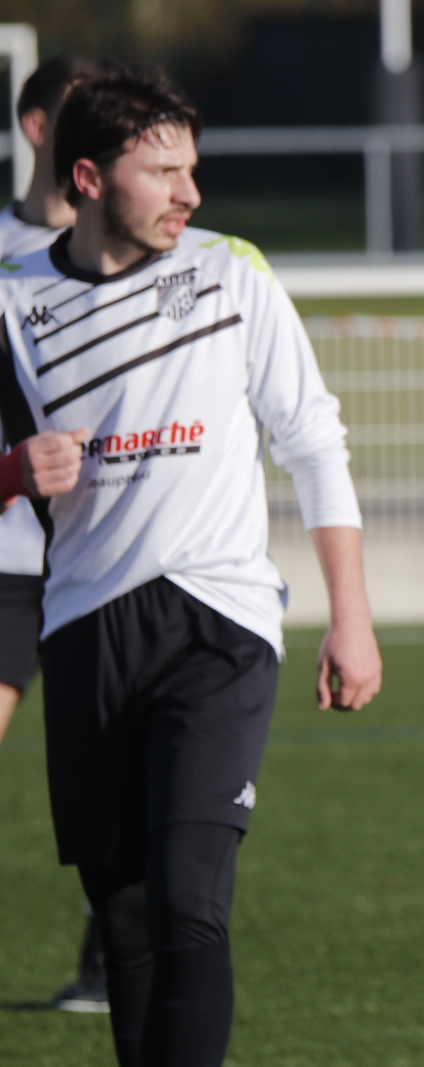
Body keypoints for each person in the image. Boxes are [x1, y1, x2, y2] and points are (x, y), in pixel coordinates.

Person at [0, 64, 382, 1067]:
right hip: (83, 630)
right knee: (124, 913)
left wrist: (350, 615)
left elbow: (312, 440)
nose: (190, 193)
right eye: (163, 171)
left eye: (192, 169)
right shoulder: (12, 300)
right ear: (88, 177)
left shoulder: (231, 273)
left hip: (218, 622)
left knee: (185, 896)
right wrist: (10, 470)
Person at [0, 52, 113, 1016]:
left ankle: (112, 957)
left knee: (127, 773)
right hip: (7, 559)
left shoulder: (140, 256)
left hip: (108, 556)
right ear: (40, 129)